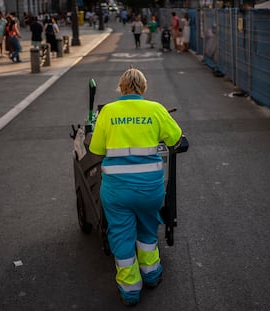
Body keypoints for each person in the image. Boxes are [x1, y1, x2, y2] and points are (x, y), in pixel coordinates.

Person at [89, 68, 183, 306]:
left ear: (121, 87)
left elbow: (96, 150)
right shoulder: (155, 109)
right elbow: (175, 139)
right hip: (149, 188)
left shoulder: (108, 112)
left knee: (120, 232)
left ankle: (130, 289)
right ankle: (151, 274)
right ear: (144, 88)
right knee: (147, 229)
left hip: (117, 190)